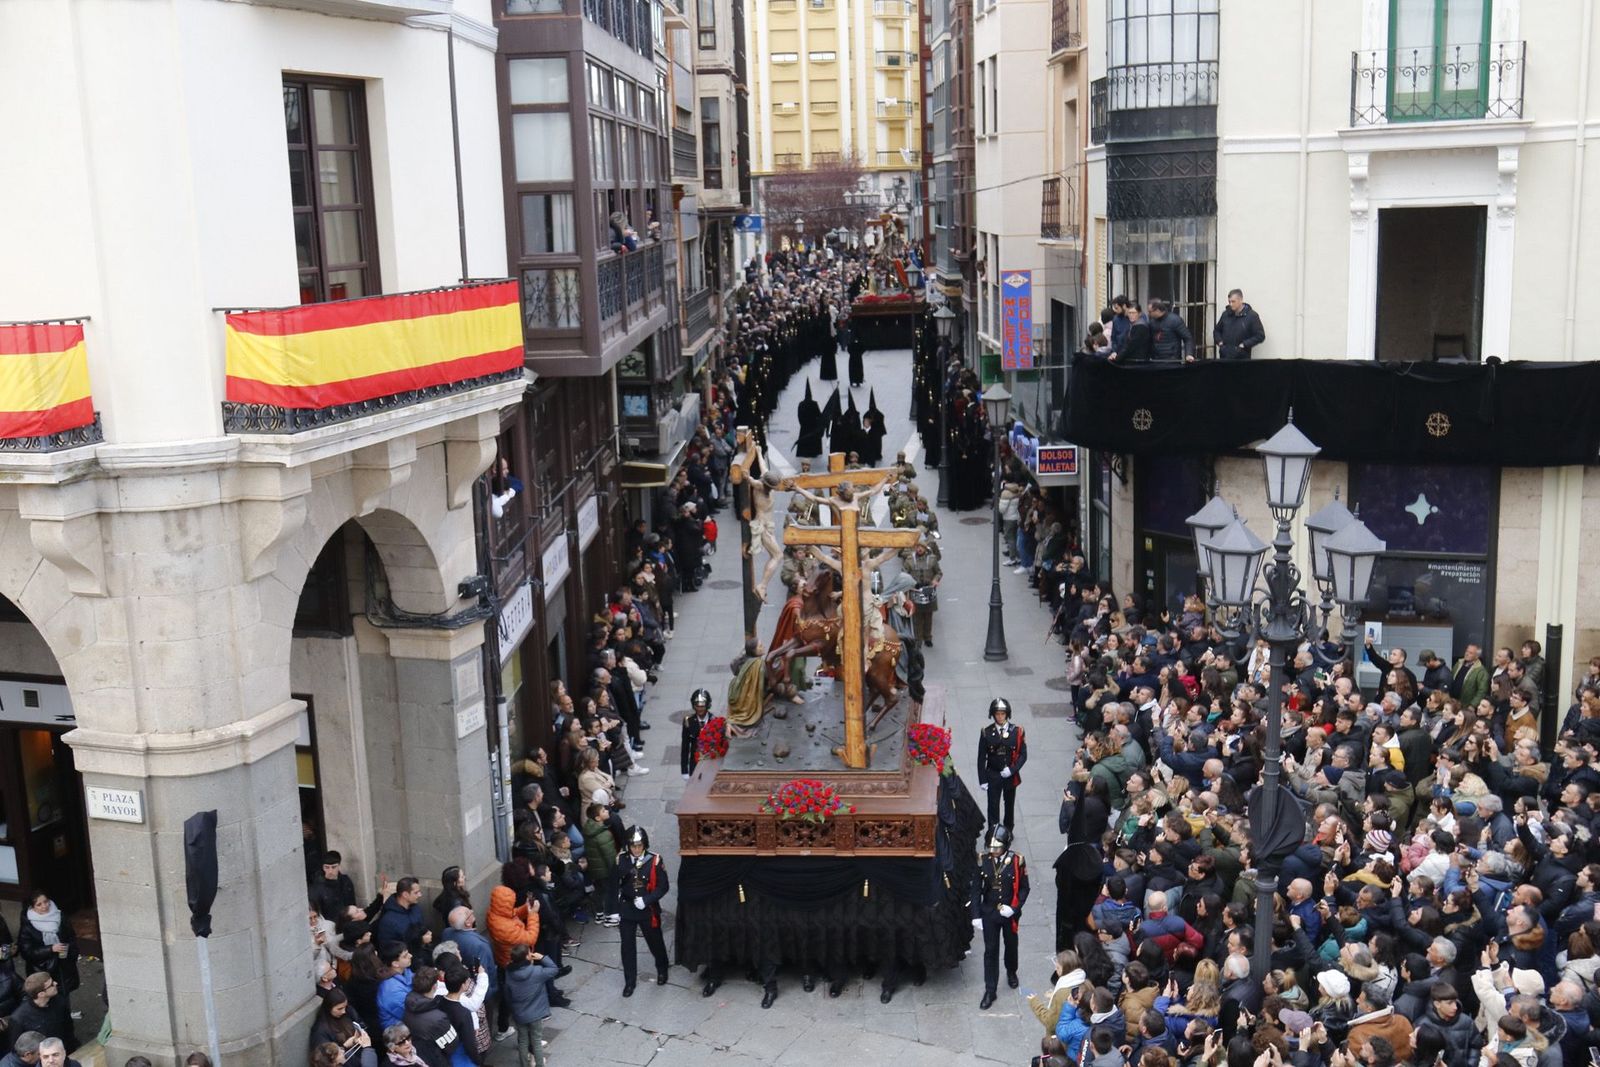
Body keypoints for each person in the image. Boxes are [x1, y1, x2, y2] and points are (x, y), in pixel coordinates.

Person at [972, 824, 1029, 1010]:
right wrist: (976, 915)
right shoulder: (983, 860)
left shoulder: (1017, 861)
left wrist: (1014, 908)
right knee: (990, 951)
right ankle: (990, 989)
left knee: (1011, 945)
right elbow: (976, 890)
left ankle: (1011, 971)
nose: (994, 851)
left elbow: (1023, 888)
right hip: (989, 912)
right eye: (991, 848)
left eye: (997, 848)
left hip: (1008, 914)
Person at [615, 826, 671, 998]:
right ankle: (630, 981)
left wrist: (647, 900)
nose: (637, 849)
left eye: (640, 846)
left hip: (647, 909)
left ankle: (662, 969)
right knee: (627, 947)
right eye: (633, 846)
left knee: (655, 942)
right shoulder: (621, 860)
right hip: (627, 908)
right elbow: (613, 884)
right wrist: (613, 910)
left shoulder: (654, 860)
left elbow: (663, 886)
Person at [503, 944, 559, 1067]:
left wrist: (512, 1010)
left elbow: (507, 994)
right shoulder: (537, 972)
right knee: (536, 1041)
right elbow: (554, 969)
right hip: (535, 1014)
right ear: (527, 957)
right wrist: (543, 957)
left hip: (519, 1013)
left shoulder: (509, 972)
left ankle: (524, 1064)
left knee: (523, 1040)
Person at [978, 698, 1028, 832]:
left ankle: (1008, 831)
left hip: (1009, 775)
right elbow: (981, 758)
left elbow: (1023, 755)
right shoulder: (986, 732)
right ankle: (993, 833)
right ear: (993, 715)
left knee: (1009, 805)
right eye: (997, 714)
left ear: (1007, 714)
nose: (1000, 717)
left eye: (1002, 714)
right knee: (993, 806)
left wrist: (1012, 770)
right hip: (993, 774)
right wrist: (982, 780)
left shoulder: (1017, 732)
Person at [1212, 289, 1264, 361]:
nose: (1231, 304)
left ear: (1241, 300)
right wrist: (1220, 343)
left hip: (1242, 358)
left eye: (1233, 301)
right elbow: (1217, 330)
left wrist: (1244, 345)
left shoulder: (1252, 316)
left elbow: (1260, 335)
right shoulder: (1226, 314)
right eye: (1229, 301)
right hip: (1225, 357)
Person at [680, 689, 714, 778]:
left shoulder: (715, 721)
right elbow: (685, 747)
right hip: (694, 765)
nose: (699, 709)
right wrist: (684, 771)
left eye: (702, 706)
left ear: (707, 705)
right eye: (697, 706)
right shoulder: (688, 721)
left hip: (710, 765)